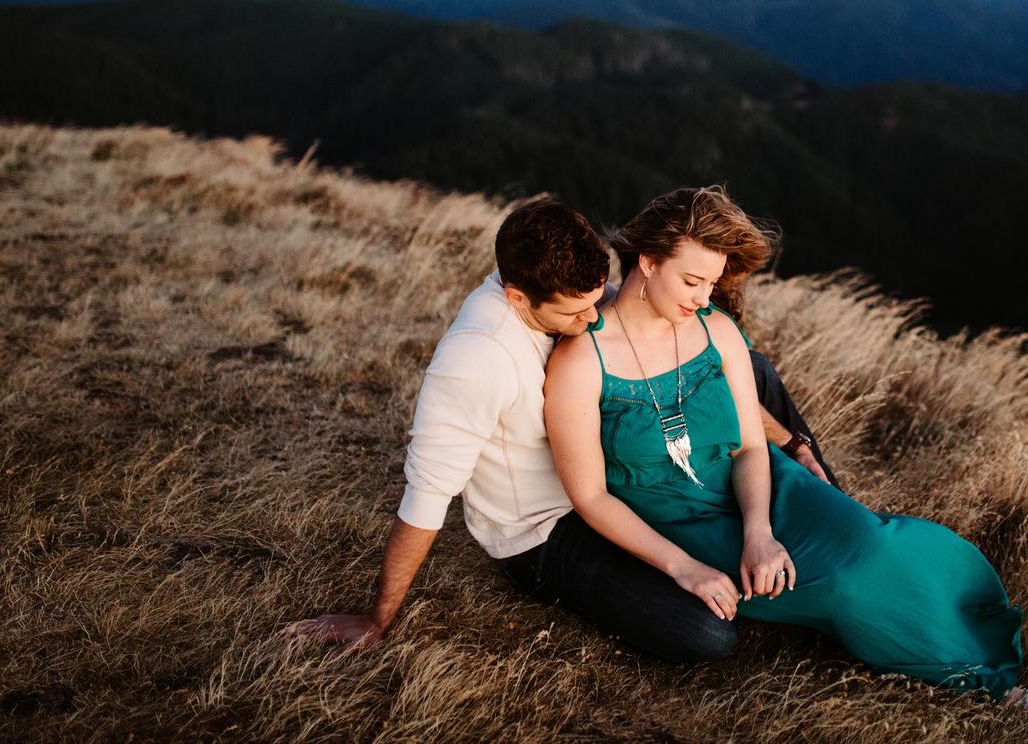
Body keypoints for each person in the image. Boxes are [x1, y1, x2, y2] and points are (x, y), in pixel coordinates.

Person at [544, 186, 1028, 730]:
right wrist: (686, 569)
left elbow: (750, 445)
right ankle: (990, 688)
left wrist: (759, 532)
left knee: (870, 541)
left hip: (763, 489)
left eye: (712, 283)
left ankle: (964, 604)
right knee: (844, 587)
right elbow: (590, 495)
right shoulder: (582, 360)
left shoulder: (715, 330)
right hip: (681, 521)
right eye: (693, 281)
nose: (704, 297)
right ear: (648, 263)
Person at [298, 197, 836, 662]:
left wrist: (789, 438)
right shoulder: (476, 360)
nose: (595, 320)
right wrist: (377, 618)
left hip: (615, 473)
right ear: (516, 298)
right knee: (705, 633)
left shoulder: (566, 290)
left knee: (750, 365)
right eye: (578, 314)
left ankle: (819, 490)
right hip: (547, 527)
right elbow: (425, 497)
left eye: (596, 299)